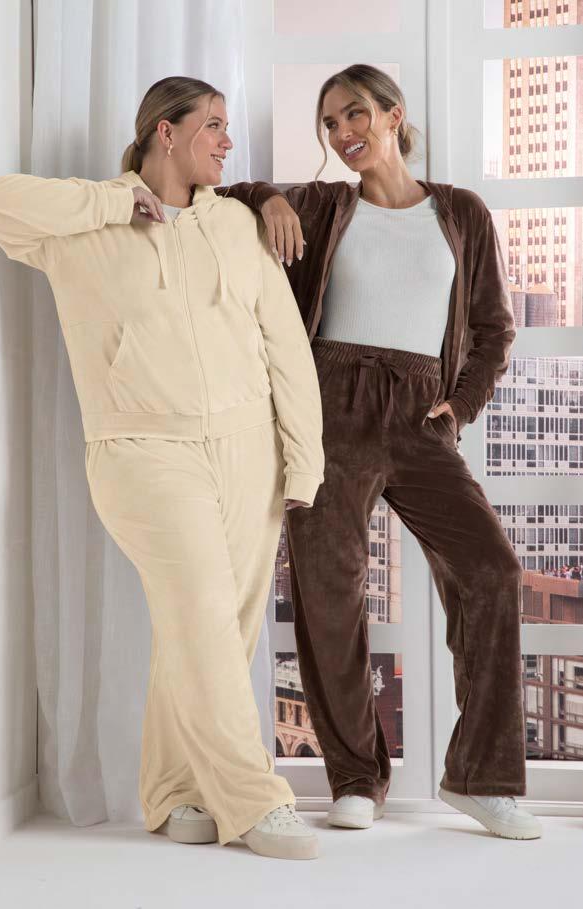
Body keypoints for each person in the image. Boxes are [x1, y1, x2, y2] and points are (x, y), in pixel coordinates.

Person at [0, 76, 324, 861]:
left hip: (246, 451)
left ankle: (172, 792)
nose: (228, 141)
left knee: (211, 633)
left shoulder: (236, 224)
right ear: (164, 132)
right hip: (142, 449)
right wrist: (112, 203)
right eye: (213, 125)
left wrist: (302, 463)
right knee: (200, 616)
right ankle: (256, 800)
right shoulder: (86, 226)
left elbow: (284, 346)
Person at [219, 63, 542, 840]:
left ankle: (481, 777)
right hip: (329, 408)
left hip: (420, 414)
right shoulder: (322, 205)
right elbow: (223, 197)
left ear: (393, 115)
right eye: (330, 123)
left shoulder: (459, 212)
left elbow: (493, 329)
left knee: (491, 570)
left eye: (355, 113)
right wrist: (266, 197)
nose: (342, 133)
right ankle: (355, 777)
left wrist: (459, 406)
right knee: (329, 592)